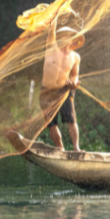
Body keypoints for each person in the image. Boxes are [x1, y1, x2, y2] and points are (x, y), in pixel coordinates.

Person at [39, 21, 84, 151]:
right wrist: (56, 15)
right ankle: (60, 148)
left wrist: (74, 83)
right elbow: (51, 32)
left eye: (68, 36)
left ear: (73, 39)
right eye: (63, 35)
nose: (65, 38)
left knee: (71, 119)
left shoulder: (75, 57)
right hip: (47, 92)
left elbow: (75, 75)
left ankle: (76, 148)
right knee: (52, 124)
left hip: (65, 91)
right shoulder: (51, 48)